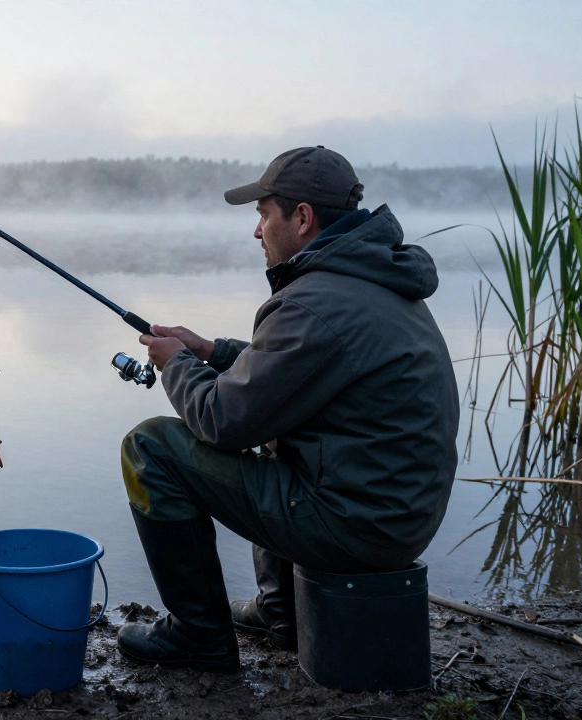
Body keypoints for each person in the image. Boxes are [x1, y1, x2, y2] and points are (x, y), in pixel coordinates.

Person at [116, 146, 459, 673]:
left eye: (263, 214)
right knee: (277, 426)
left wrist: (175, 365)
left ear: (302, 218)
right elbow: (293, 371)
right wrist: (211, 352)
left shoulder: (316, 301)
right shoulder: (372, 280)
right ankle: (281, 612)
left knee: (151, 448)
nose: (257, 232)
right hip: (395, 515)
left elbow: (221, 421)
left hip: (357, 526)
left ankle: (198, 636)